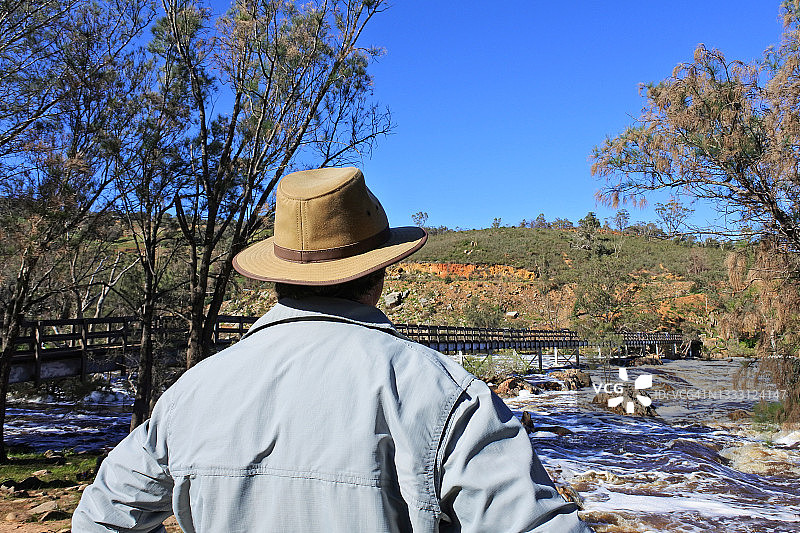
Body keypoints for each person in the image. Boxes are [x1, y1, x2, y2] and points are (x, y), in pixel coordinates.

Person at [73, 167, 593, 532]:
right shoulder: (442, 393)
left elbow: (101, 516)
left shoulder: (193, 390)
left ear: (280, 278)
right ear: (378, 272)